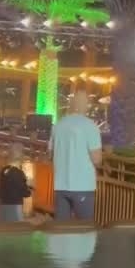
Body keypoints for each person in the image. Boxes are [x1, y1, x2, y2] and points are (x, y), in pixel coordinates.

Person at [50, 93, 102, 221]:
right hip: (82, 185)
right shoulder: (90, 126)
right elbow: (96, 159)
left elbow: (50, 153)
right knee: (85, 227)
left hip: (60, 185)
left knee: (61, 228)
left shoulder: (58, 125)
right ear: (85, 106)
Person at [0, 143, 33, 222]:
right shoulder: (19, 173)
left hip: (4, 204)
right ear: (20, 157)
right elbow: (24, 192)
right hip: (15, 205)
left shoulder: (4, 170)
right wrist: (29, 191)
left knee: (6, 226)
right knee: (17, 226)